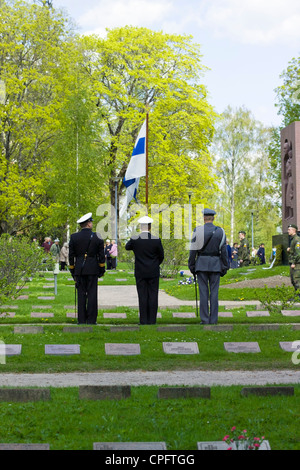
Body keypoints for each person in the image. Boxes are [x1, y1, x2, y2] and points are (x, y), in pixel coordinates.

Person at [188, 208, 228, 325]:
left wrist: (192, 265)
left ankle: (205, 319)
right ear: (213, 218)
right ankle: (213, 319)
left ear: (204, 218)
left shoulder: (198, 231)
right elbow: (224, 251)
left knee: (204, 293)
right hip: (215, 264)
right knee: (214, 293)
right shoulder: (221, 231)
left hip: (201, 264)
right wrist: (225, 266)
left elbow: (193, 250)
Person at [125, 216, 164, 325]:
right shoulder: (156, 239)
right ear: (150, 227)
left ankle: (143, 320)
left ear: (140, 227)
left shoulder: (135, 239)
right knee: (153, 295)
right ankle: (152, 320)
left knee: (142, 295)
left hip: (140, 271)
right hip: (153, 271)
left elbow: (127, 247)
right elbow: (161, 256)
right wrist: (155, 264)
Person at [69, 212, 105, 324]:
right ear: (88, 224)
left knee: (81, 295)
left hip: (79, 269)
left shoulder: (74, 237)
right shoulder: (97, 236)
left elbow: (71, 255)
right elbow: (101, 256)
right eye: (91, 222)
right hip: (93, 269)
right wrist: (101, 269)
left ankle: (81, 319)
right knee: (92, 295)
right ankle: (91, 320)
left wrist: (72, 269)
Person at [287, 224, 300, 294]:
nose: (288, 231)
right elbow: (293, 251)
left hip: (297, 264)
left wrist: (294, 263)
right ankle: (297, 295)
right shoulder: (293, 239)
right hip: (293, 263)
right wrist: (289, 250)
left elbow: (298, 253)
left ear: (293, 230)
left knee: (297, 280)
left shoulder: (297, 239)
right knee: (293, 280)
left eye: (289, 229)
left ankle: (299, 296)